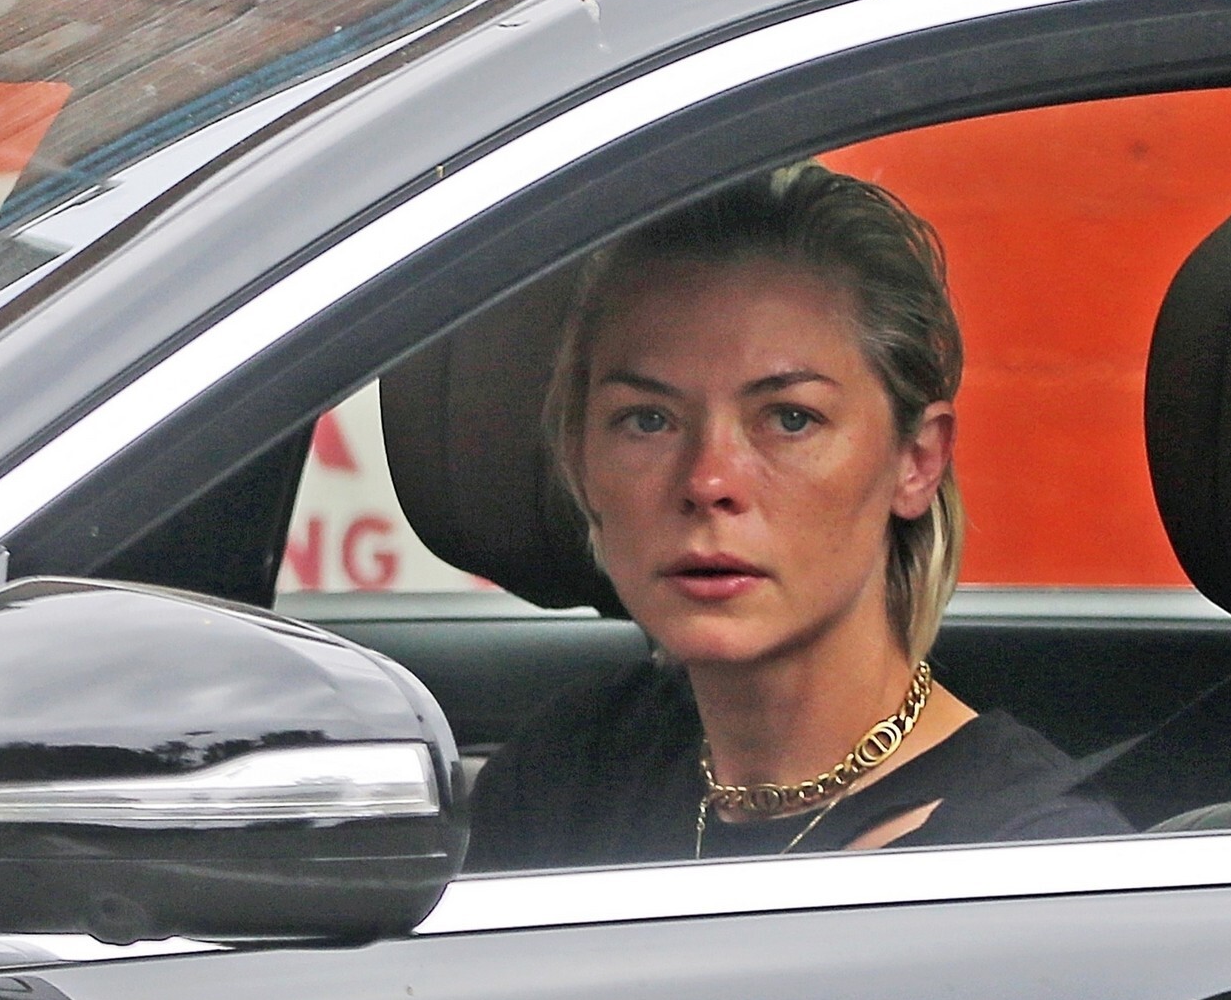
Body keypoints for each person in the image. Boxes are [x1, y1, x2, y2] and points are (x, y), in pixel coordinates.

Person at [464, 163, 1127, 870]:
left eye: (789, 418)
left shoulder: (1031, 860)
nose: (708, 481)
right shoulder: (563, 777)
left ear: (916, 461)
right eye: (648, 420)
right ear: (578, 458)